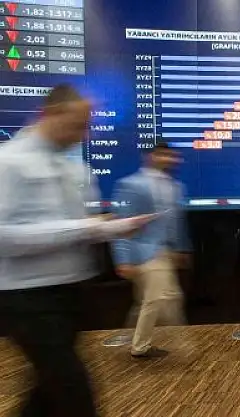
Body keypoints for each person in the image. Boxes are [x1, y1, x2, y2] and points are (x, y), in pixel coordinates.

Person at [0, 84, 152, 417]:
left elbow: (81, 226)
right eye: (77, 125)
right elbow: (4, 236)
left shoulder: (75, 168)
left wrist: (110, 228)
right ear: (50, 114)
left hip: (71, 294)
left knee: (46, 394)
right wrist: (86, 228)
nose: (84, 134)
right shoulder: (9, 162)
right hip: (26, 298)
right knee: (74, 393)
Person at [112, 142, 192, 358]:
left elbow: (177, 222)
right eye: (164, 155)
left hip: (165, 252)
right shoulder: (131, 184)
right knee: (160, 298)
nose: (170, 160)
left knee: (152, 300)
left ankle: (134, 340)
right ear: (152, 157)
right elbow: (122, 224)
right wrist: (123, 259)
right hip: (143, 252)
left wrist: (181, 249)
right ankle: (153, 346)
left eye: (172, 156)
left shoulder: (175, 187)